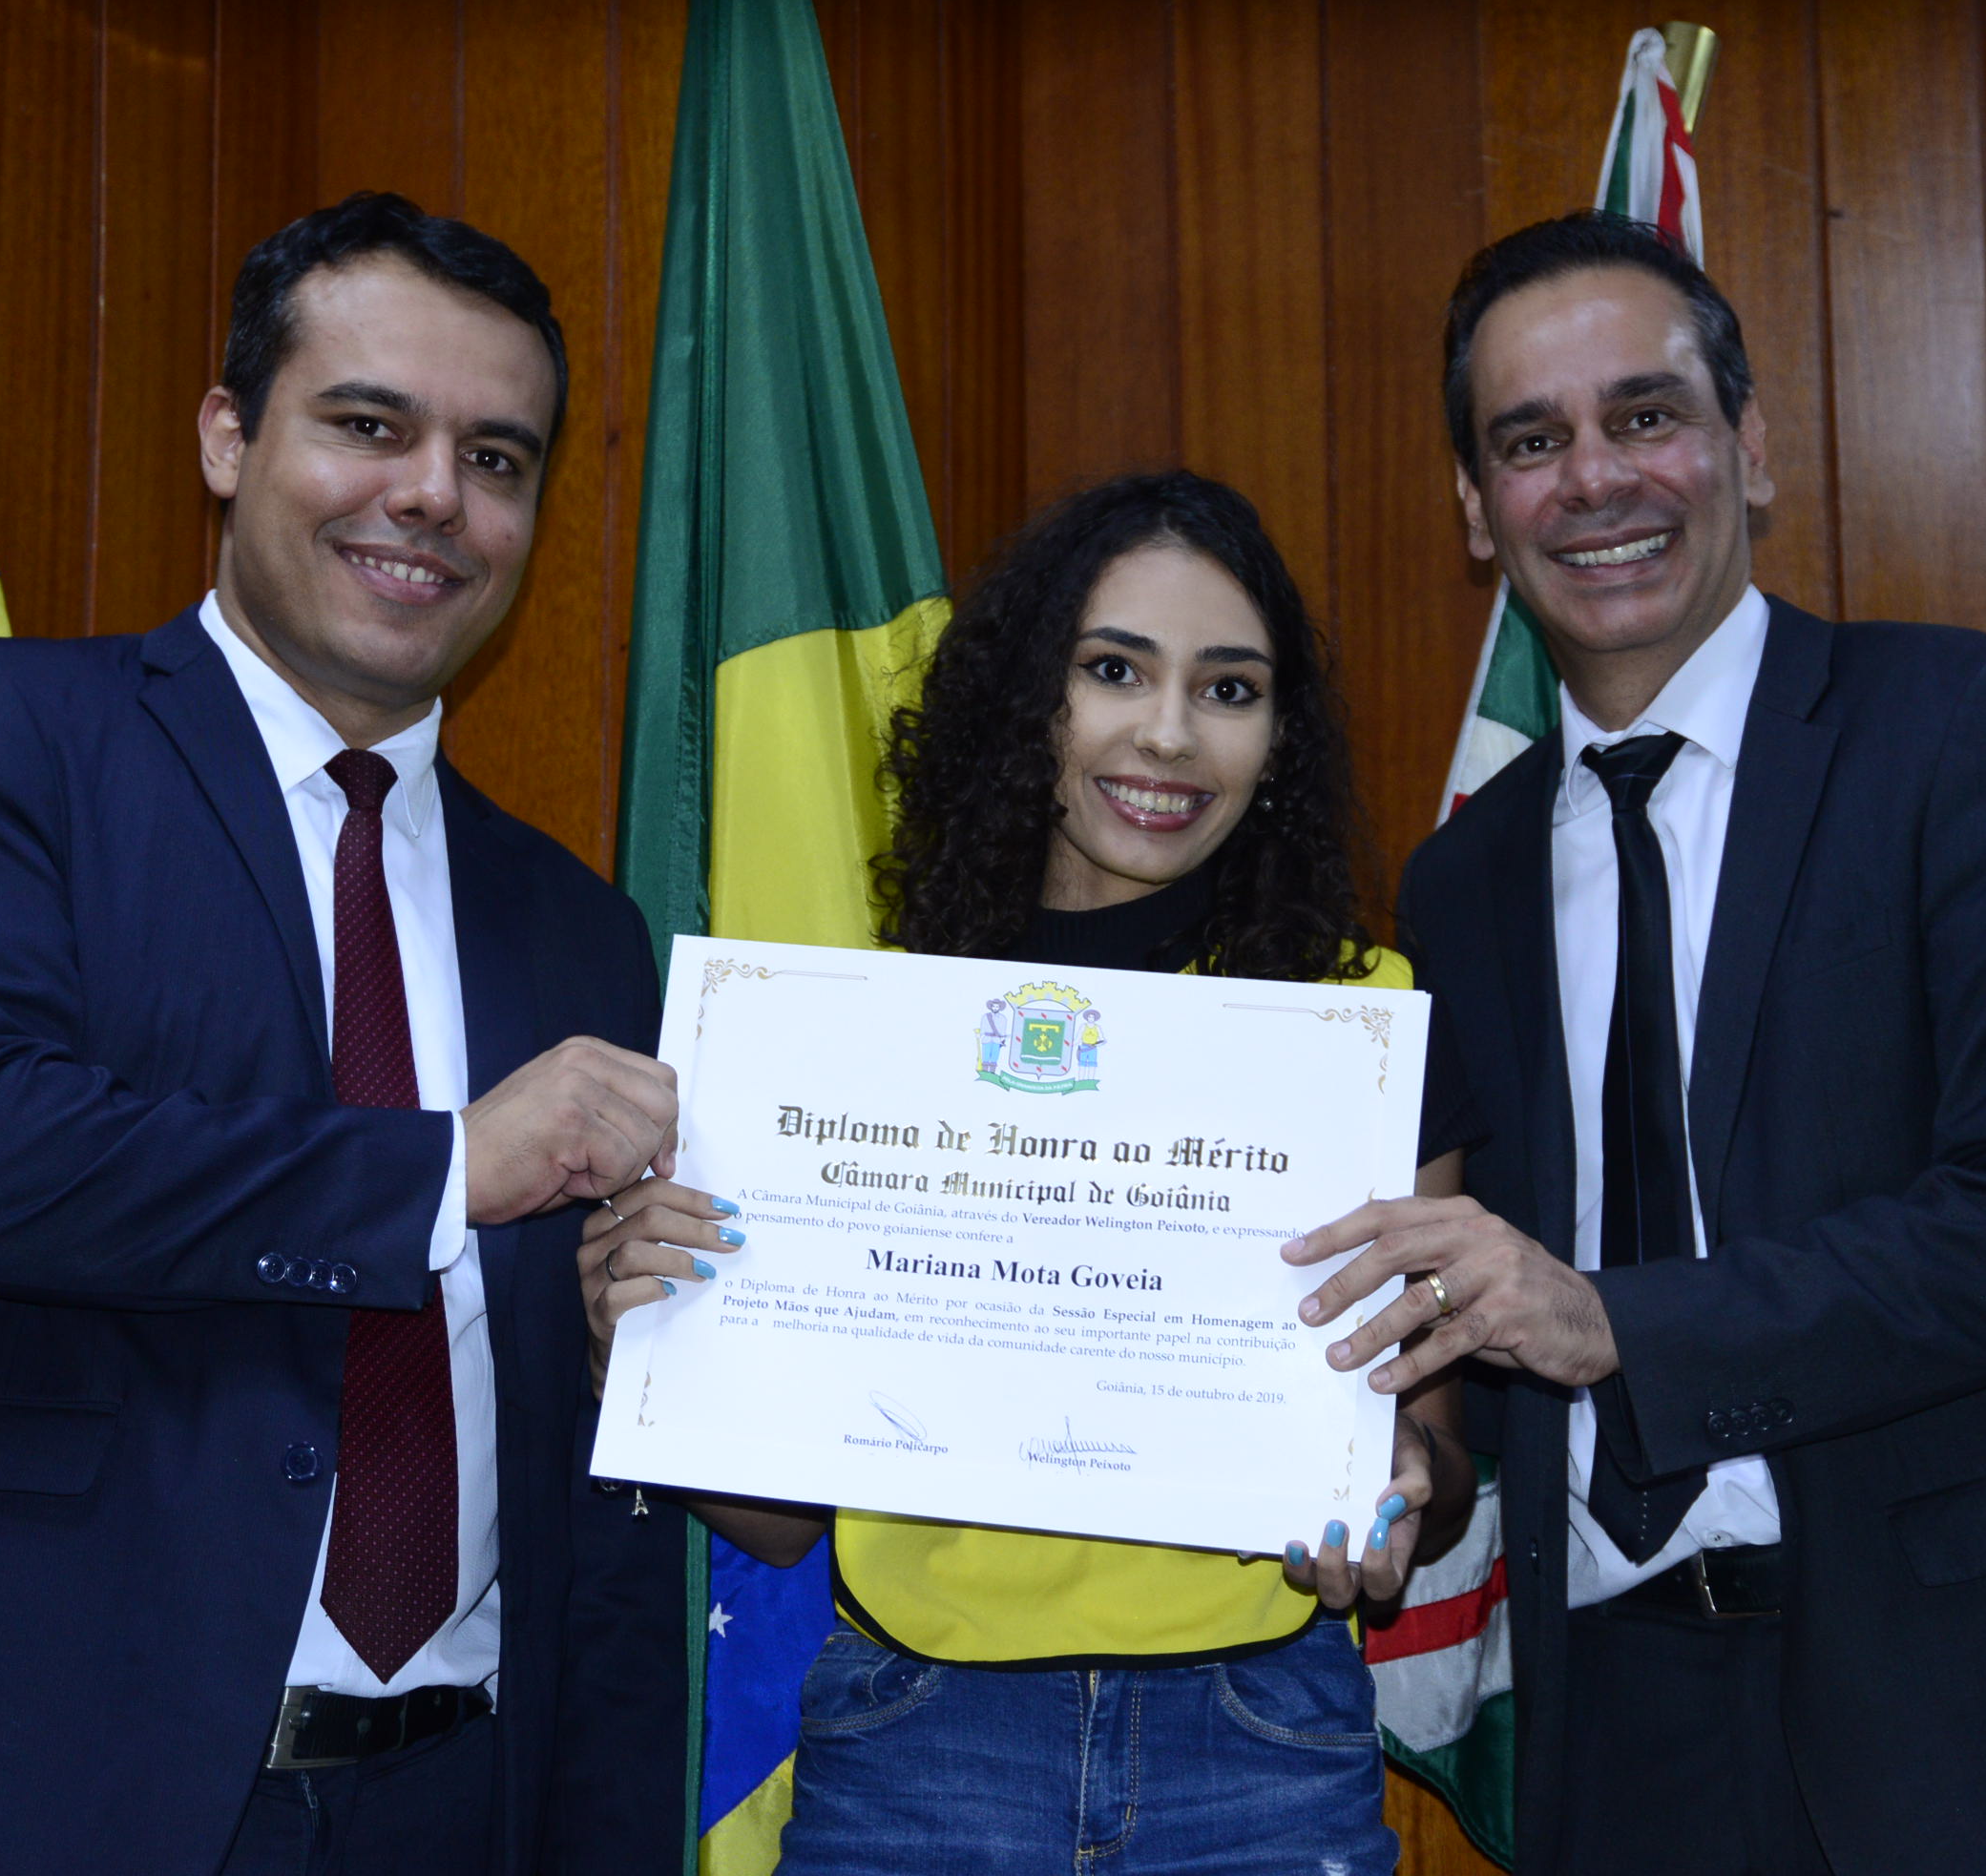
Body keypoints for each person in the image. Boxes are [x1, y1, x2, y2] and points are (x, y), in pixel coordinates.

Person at [1291, 213, 1986, 1875]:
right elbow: (1491, 1344)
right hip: (1624, 1744)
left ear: (1753, 445)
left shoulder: (1982, 732)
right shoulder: (1457, 886)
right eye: (1531, 441)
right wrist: (1394, 1468)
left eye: (1646, 415)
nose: (1595, 478)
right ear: (1477, 510)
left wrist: (1616, 1325)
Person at [0, 194, 695, 1876]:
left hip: (450, 1806)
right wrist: (444, 1171)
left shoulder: (580, 930)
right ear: (227, 436)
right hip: (9, 1789)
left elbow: (598, 1476)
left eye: (495, 459)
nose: (435, 494)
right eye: (370, 425)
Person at [578, 470, 1474, 1875]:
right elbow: (779, 1517)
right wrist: (634, 1353)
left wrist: (1410, 1485)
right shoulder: (850, 1030)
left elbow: (1434, 1446)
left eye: (1228, 688)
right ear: (1025, 699)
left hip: (1262, 1742)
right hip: (915, 1739)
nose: (1167, 732)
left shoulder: (1363, 1024)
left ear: (1279, 737)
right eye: (1113, 669)